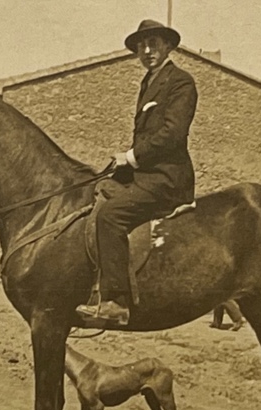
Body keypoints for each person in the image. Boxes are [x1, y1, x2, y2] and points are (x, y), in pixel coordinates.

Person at [76, 19, 198, 326]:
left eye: (153, 44)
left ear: (168, 46)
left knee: (110, 216)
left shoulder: (181, 82)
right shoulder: (149, 82)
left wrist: (131, 157)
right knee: (96, 192)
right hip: (145, 174)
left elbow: (172, 134)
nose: (147, 51)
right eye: (142, 46)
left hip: (167, 179)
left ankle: (117, 301)